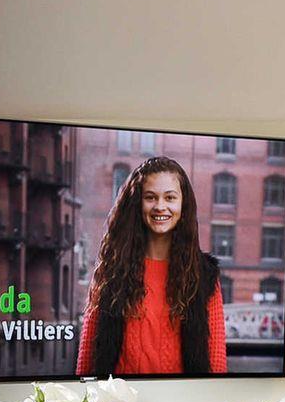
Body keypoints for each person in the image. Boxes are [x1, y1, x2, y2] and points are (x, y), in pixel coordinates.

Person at [76, 156, 228, 376]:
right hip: (119, 398)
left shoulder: (204, 275)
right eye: (150, 197)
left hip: (184, 396)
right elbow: (87, 359)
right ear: (137, 203)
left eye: (170, 197)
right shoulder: (112, 269)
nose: (160, 206)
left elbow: (216, 363)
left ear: (183, 204)